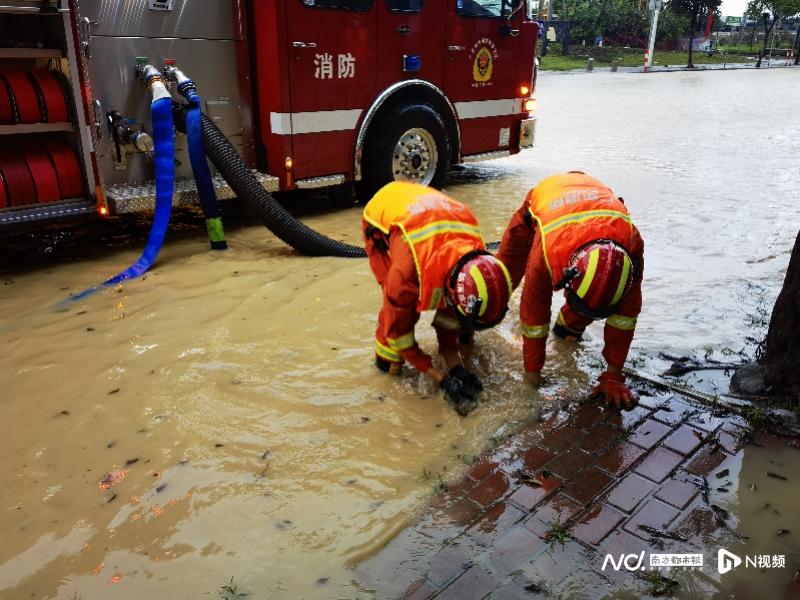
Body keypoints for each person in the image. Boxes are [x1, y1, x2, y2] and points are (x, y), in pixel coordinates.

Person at [363, 181, 513, 416]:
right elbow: (400, 336)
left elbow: (451, 314)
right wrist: (439, 378)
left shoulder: (476, 264)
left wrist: (456, 368)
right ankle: (384, 370)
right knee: (395, 328)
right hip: (383, 211)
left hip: (424, 210)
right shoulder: (405, 275)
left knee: (458, 315)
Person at [496, 171, 644, 408]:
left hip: (587, 202)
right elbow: (534, 315)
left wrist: (613, 376)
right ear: (568, 276)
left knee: (595, 295)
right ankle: (472, 326)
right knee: (501, 280)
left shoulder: (632, 244)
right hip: (544, 199)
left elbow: (626, 314)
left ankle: (567, 331)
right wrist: (532, 377)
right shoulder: (547, 253)